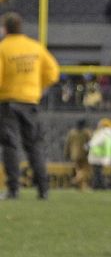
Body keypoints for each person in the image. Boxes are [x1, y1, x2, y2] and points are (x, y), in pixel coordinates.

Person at [0, 12, 60, 200]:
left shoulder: (3, 48)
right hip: (30, 101)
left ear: (5, 28)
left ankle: (13, 189)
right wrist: (36, 87)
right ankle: (43, 189)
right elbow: (53, 73)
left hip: (8, 102)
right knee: (34, 145)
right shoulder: (35, 47)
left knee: (10, 145)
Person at [87, 118, 111, 190]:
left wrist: (88, 145)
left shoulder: (102, 133)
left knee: (97, 172)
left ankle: (100, 185)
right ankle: (98, 185)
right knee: (99, 171)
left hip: (97, 154)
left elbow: (95, 142)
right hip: (105, 155)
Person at [65, 119, 92, 191]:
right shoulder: (86, 133)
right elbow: (90, 143)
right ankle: (75, 180)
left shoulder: (72, 133)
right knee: (86, 171)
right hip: (84, 155)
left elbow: (68, 144)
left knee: (78, 170)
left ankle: (82, 187)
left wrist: (66, 154)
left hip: (74, 155)